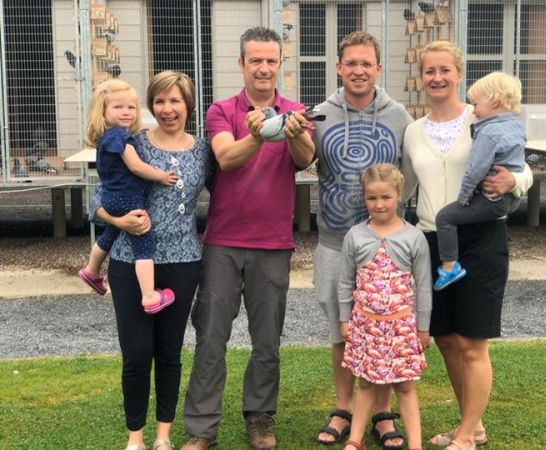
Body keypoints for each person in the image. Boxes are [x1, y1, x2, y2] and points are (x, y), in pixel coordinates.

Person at [182, 27, 315, 450]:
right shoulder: (222, 110)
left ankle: (260, 417)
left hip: (273, 243)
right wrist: (257, 135)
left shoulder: (294, 111)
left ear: (280, 64)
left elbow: (305, 159)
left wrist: (294, 132)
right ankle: (201, 429)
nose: (263, 68)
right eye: (255, 60)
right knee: (211, 337)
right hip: (223, 241)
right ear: (241, 63)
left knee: (267, 341)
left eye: (271, 60)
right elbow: (226, 157)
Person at [401, 41, 533, 450]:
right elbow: (404, 185)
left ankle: (466, 436)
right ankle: (471, 426)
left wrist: (516, 181)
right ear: (420, 78)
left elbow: (521, 167)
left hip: (481, 238)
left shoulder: (483, 118)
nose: (437, 78)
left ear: (459, 74)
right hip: (432, 240)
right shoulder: (413, 132)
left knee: (473, 343)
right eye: (429, 71)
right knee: (445, 339)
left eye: (445, 70)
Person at [94, 71, 209, 450]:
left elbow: (231, 190)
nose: (167, 108)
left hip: (183, 262)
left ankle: (163, 436)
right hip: (130, 261)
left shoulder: (203, 150)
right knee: (137, 353)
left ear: (188, 105)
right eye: (159, 101)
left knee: (169, 352)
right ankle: (135, 438)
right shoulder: (132, 142)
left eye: (175, 100)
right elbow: (99, 196)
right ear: (151, 106)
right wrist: (117, 221)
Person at [311, 31, 413, 449]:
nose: (358, 70)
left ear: (378, 68)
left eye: (366, 63)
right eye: (350, 63)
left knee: (383, 329)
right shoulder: (320, 115)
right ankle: (344, 407)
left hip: (384, 246)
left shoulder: (399, 116)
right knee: (342, 331)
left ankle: (383, 413)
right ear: (338, 68)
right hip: (334, 242)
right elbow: (300, 159)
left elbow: (409, 174)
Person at [338, 163, 432, 450]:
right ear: (364, 198)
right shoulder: (355, 235)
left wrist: (423, 328)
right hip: (365, 325)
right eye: (372, 198)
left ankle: (416, 444)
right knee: (365, 383)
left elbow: (424, 285)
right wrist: (344, 319)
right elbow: (345, 281)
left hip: (401, 326)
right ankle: (355, 440)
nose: (379, 204)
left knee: (404, 385)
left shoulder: (413, 237)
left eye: (386, 197)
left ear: (399, 195)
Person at [78, 79, 178, 314]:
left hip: (111, 197)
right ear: (103, 111)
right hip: (128, 199)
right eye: (118, 107)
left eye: (131, 107)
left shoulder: (107, 137)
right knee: (143, 245)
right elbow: (136, 166)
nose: (126, 112)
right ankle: (150, 296)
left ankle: (91, 271)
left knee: (110, 234)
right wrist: (160, 176)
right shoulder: (119, 137)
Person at [433, 72, 526, 291]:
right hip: (509, 200)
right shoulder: (516, 126)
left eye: (476, 104)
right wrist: (515, 182)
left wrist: (464, 196)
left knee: (444, 217)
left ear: (494, 101)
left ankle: (449, 266)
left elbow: (476, 169)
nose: (474, 110)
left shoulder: (488, 132)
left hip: (491, 199)